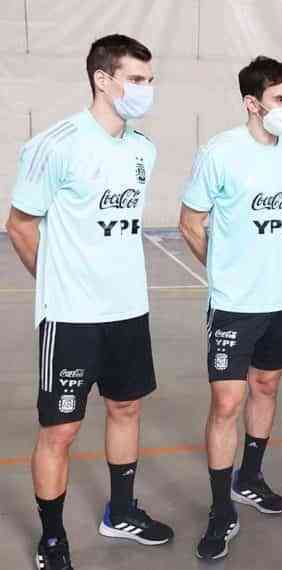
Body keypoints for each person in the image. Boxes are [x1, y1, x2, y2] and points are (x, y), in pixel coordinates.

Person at [4, 34, 174, 570]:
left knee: (126, 408)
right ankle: (52, 540)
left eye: (150, 80)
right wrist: (59, 283)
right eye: (137, 79)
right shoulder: (55, 145)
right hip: (71, 318)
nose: (146, 89)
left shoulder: (143, 149)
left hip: (128, 312)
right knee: (61, 430)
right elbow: (20, 225)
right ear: (103, 79)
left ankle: (120, 512)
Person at [179, 56, 282, 561]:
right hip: (235, 306)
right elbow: (190, 221)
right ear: (252, 103)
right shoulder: (219, 154)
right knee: (226, 404)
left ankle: (250, 477)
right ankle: (221, 509)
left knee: (267, 386)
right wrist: (222, 271)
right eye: (280, 99)